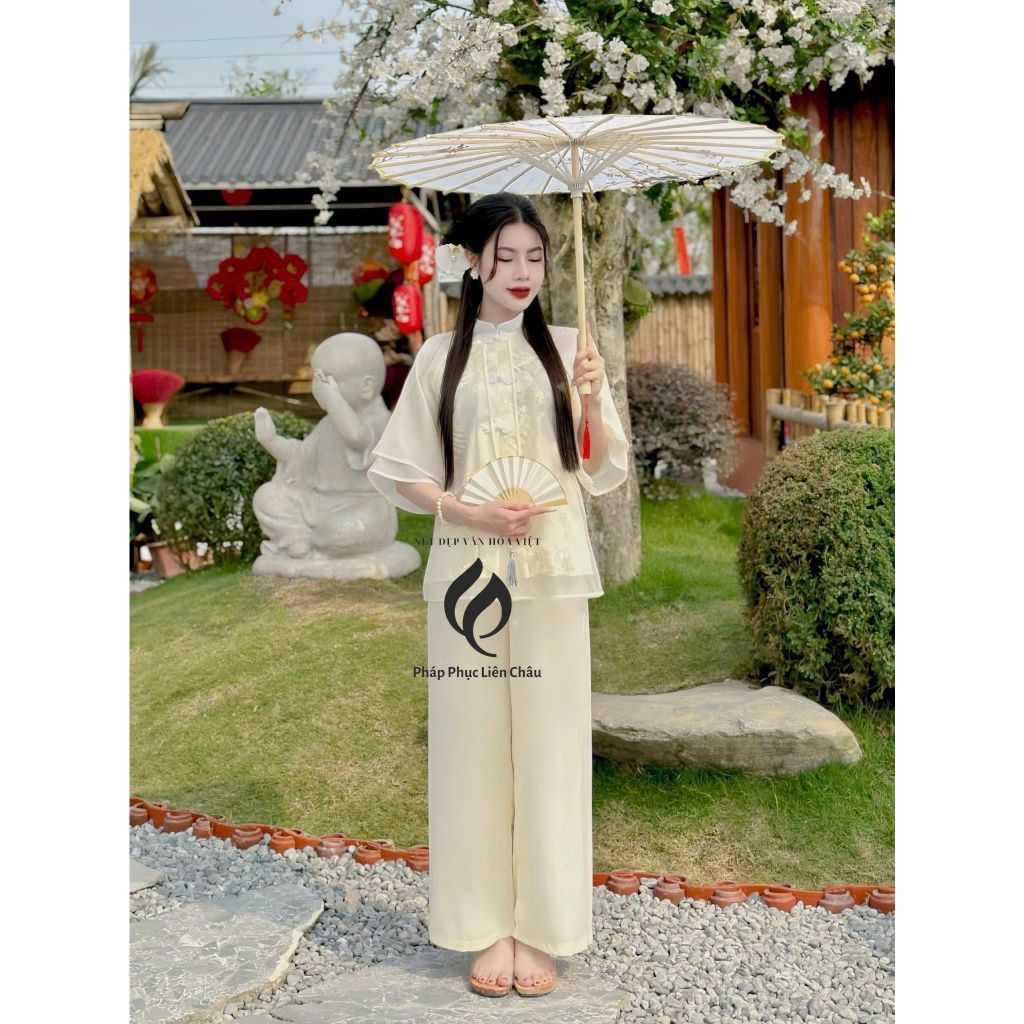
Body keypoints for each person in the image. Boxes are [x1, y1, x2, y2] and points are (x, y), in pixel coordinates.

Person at [365, 192, 629, 998]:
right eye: (505, 255)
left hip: (552, 571)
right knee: (470, 744)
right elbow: (403, 469)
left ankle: (542, 926)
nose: (522, 271)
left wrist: (591, 396)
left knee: (550, 744)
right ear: (474, 263)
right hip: (467, 570)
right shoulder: (440, 357)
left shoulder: (573, 348)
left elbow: (598, 466)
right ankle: (484, 925)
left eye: (535, 257)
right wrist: (465, 509)